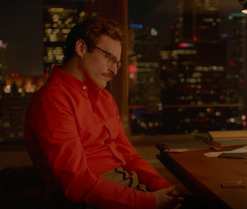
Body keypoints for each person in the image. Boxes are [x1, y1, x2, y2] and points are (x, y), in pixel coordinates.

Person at [24, 17, 183, 209]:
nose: (114, 70)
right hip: (94, 201)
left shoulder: (105, 99)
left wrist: (165, 189)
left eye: (118, 63)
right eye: (110, 58)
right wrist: (151, 201)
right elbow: (76, 184)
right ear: (81, 48)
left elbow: (129, 156)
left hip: (129, 187)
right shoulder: (52, 100)